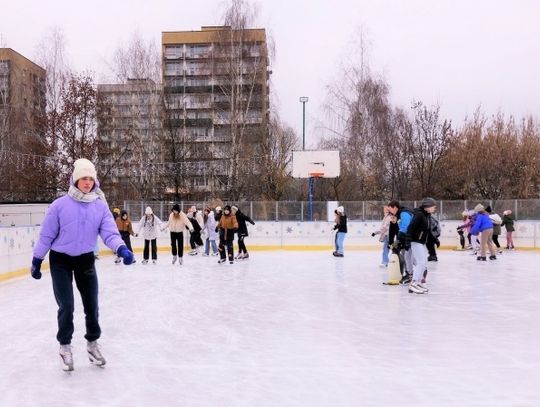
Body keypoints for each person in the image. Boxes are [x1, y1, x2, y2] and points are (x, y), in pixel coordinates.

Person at [30, 158, 134, 371]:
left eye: (90, 178)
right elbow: (46, 236)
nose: (87, 182)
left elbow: (109, 232)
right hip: (60, 260)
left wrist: (121, 249)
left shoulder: (100, 206)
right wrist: (37, 260)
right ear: (75, 180)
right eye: (83, 178)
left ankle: (92, 343)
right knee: (66, 305)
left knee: (92, 305)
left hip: (85, 258)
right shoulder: (59, 205)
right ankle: (65, 346)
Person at [407, 197, 437, 294]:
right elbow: (411, 227)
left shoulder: (427, 215)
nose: (434, 208)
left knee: (423, 263)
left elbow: (427, 230)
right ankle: (413, 283)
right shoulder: (419, 215)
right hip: (416, 241)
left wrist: (434, 239)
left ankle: (418, 282)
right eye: (433, 206)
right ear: (427, 206)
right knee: (420, 262)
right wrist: (408, 241)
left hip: (421, 242)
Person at [387, 200, 414, 284]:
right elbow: (400, 228)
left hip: (412, 238)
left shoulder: (403, 213)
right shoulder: (399, 215)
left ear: (395, 207)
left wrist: (398, 240)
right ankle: (408, 274)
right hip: (407, 238)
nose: (389, 211)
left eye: (390, 209)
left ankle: (420, 272)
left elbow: (405, 227)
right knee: (407, 256)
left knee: (412, 257)